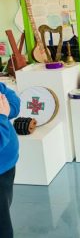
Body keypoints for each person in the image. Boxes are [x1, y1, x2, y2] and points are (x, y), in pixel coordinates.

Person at [0, 82, 21, 238]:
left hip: (7, 165)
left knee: (5, 206)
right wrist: (2, 115)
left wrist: (7, 111)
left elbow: (12, 98)